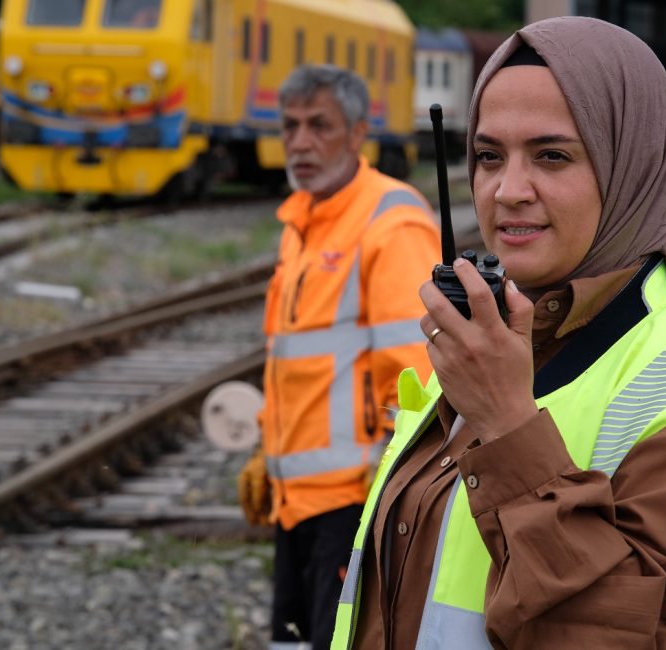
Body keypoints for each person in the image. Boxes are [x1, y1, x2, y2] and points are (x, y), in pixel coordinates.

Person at [330, 17, 666, 650]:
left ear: (631, 164)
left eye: (552, 155)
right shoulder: (509, 338)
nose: (507, 192)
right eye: (488, 156)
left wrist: (507, 427)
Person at [236, 64, 440, 649]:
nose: (300, 142)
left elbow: (416, 377)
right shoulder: (302, 222)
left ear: (356, 133)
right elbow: (295, 365)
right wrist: (264, 449)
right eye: (290, 126)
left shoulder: (389, 221)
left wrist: (386, 494)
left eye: (319, 126)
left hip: (352, 503)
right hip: (296, 501)